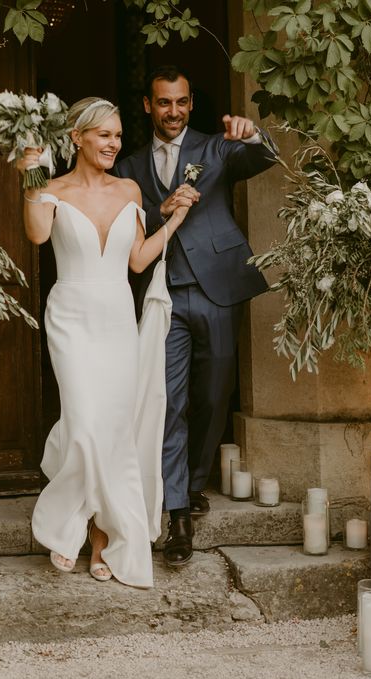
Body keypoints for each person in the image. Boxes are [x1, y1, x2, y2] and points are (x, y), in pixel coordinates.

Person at [18, 97, 192, 588]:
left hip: (117, 318)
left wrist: (173, 221)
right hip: (71, 316)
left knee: (111, 430)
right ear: (77, 137)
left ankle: (99, 535)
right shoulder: (51, 189)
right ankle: (66, 522)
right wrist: (30, 173)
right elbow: (35, 234)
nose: (114, 143)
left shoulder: (130, 189)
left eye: (118, 135)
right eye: (104, 135)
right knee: (83, 425)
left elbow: (137, 261)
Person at [114, 66, 277, 567]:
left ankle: (197, 475)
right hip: (163, 294)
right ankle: (178, 514)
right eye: (164, 103)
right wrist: (162, 210)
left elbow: (264, 157)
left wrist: (254, 133)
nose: (173, 111)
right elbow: (127, 228)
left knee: (212, 395)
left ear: (190, 103)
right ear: (148, 105)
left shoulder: (214, 148)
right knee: (170, 400)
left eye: (181, 102)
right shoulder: (128, 167)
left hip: (218, 289)